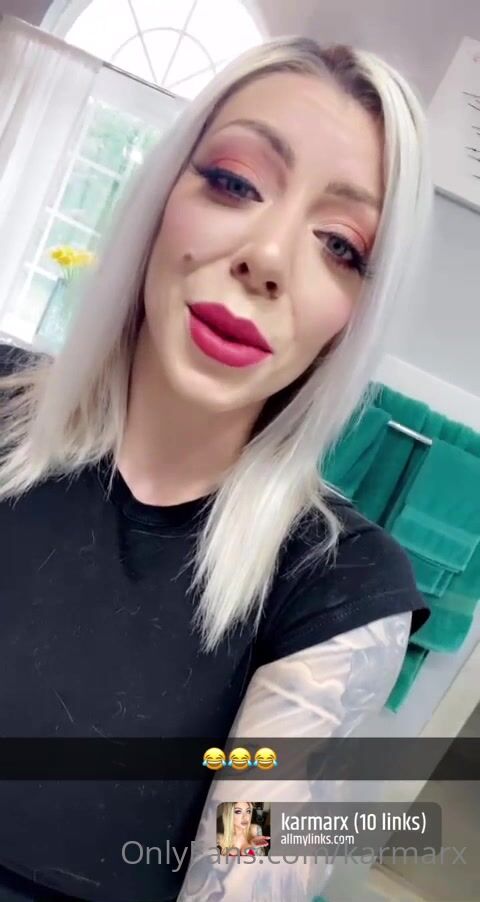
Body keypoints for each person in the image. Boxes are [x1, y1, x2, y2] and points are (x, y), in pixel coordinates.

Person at [0, 34, 432, 902]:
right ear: (162, 196)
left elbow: (252, 866)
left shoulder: (345, 590)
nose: (267, 258)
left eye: (340, 245)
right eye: (235, 183)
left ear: (356, 315)